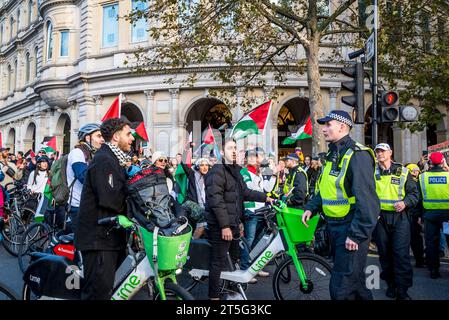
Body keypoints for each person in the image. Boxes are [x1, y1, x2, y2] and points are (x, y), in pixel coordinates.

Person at [302, 110, 380, 300]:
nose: (324, 129)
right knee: (355, 285)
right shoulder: (332, 154)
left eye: (328, 124)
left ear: (342, 127)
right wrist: (311, 207)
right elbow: (327, 190)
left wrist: (356, 234)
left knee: (341, 288)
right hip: (335, 227)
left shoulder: (357, 155)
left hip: (350, 229)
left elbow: (368, 201)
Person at [205, 138, 273, 300]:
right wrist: (225, 226)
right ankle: (213, 298)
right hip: (220, 226)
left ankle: (229, 292)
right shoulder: (217, 171)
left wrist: (267, 198)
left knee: (233, 261)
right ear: (222, 152)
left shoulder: (235, 170)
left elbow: (246, 193)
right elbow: (216, 201)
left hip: (234, 224)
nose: (234, 151)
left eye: (235, 148)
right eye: (230, 148)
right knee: (218, 263)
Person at [75, 118, 134, 300]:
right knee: (98, 294)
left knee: (111, 291)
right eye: (128, 134)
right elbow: (110, 198)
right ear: (116, 137)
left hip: (109, 237)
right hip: (98, 239)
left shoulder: (113, 159)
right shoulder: (105, 160)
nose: (132, 138)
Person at [373, 143, 419, 300]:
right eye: (377, 151)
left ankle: (402, 289)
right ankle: (391, 285)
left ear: (390, 153)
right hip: (380, 219)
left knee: (401, 255)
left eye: (382, 151)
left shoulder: (403, 172)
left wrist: (405, 202)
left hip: (400, 219)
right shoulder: (372, 172)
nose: (379, 154)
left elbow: (414, 194)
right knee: (385, 255)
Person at [240, 148, 275, 280]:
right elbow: (250, 189)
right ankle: (244, 268)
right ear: (246, 159)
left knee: (259, 240)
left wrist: (270, 172)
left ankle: (255, 266)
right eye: (252, 157)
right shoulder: (244, 172)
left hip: (261, 210)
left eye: (257, 157)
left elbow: (267, 188)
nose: (256, 159)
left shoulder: (259, 172)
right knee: (249, 239)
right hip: (251, 209)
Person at [66, 123, 105, 232]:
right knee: (81, 241)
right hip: (77, 204)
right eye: (99, 136)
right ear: (87, 137)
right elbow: (83, 176)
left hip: (91, 204)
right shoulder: (77, 153)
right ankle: (54, 244)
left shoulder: (94, 155)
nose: (102, 139)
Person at [418, 151, 449, 279]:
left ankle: (433, 270)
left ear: (430, 162)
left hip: (430, 215)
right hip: (447, 216)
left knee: (431, 243)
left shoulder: (422, 177)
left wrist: (420, 216)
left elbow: (419, 199)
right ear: (443, 161)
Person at [181, 157, 211, 239]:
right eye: (202, 165)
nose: (205, 167)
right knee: (204, 219)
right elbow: (183, 164)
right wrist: (186, 149)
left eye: (206, 165)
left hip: (204, 206)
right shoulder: (192, 175)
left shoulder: (210, 178)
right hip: (190, 203)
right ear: (198, 167)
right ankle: (192, 242)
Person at [406, 163, 425, 268]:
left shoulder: (419, 182)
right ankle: (419, 260)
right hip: (409, 214)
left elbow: (419, 201)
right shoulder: (416, 183)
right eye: (413, 170)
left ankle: (419, 260)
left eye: (417, 170)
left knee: (414, 239)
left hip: (412, 215)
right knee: (413, 239)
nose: (416, 172)